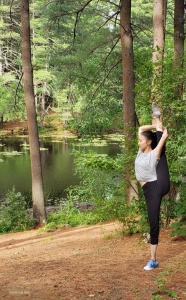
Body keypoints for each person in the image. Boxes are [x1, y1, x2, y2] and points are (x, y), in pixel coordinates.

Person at [135, 103, 170, 270]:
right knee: (152, 221)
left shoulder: (153, 153)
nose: (138, 142)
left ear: (148, 142)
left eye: (141, 140)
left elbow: (163, 137)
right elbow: (142, 127)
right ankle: (157, 118)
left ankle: (153, 260)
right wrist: (156, 123)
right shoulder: (141, 151)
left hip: (157, 186)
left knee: (153, 225)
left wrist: (161, 130)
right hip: (148, 191)